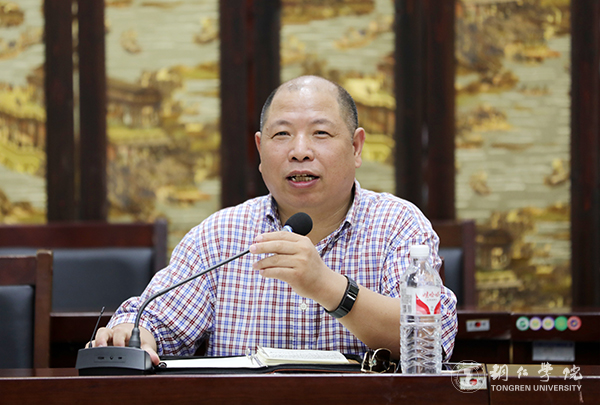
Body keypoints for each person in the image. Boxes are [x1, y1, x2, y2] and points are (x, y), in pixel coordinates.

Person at [94, 75, 457, 366]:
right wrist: (133, 335)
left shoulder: (398, 225)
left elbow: (429, 339)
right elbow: (154, 323)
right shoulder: (221, 235)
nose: (299, 151)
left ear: (356, 147)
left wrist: (325, 285)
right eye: (282, 134)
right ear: (260, 149)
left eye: (321, 133)